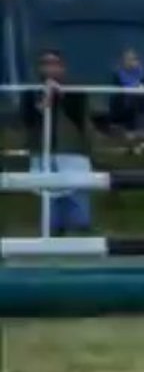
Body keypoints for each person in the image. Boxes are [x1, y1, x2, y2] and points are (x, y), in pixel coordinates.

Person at [20, 48, 92, 235]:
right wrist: (42, 102)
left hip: (72, 154)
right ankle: (52, 235)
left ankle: (79, 236)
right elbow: (27, 120)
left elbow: (79, 116)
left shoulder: (75, 91)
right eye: (45, 64)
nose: (49, 68)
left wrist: (60, 95)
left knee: (77, 207)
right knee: (50, 209)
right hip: (43, 154)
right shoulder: (30, 92)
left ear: (62, 67)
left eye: (54, 64)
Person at [106, 47, 144, 139]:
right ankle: (130, 129)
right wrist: (137, 87)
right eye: (128, 59)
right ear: (122, 61)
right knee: (132, 97)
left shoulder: (141, 71)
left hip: (137, 100)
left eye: (134, 58)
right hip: (121, 102)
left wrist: (141, 86)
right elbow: (125, 87)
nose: (132, 61)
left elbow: (143, 82)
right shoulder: (118, 73)